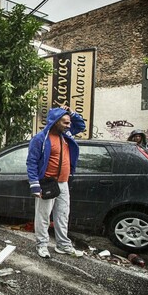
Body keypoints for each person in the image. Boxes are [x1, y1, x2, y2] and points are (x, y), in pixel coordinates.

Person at [26, 105, 86, 258]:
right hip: (47, 183)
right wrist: (35, 186)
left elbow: (81, 125)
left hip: (63, 183)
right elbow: (31, 162)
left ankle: (63, 245)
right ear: (55, 122)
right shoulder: (40, 138)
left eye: (69, 122)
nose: (69, 125)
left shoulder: (65, 135)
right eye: (65, 122)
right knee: (43, 217)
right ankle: (42, 245)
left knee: (62, 215)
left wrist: (71, 112)